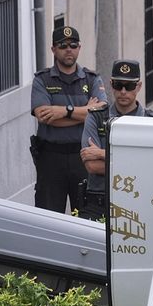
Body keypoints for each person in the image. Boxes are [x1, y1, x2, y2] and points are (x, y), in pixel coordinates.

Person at [30, 26, 107, 213]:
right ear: (53, 49)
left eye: (73, 45)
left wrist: (63, 111)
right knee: (47, 217)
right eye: (63, 46)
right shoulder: (42, 80)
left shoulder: (91, 79)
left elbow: (100, 113)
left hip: (82, 157)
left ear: (79, 48)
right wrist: (85, 113)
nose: (69, 49)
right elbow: (45, 116)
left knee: (86, 213)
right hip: (51, 158)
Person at [79, 60, 153, 220]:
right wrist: (134, 163)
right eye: (118, 85)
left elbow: (149, 166)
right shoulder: (96, 116)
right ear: (111, 84)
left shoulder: (152, 122)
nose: (123, 91)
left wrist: (101, 153)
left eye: (129, 86)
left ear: (139, 86)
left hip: (139, 201)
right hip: (99, 200)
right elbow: (93, 166)